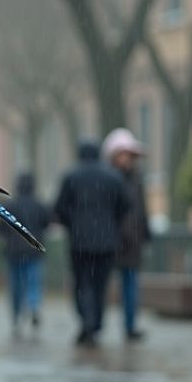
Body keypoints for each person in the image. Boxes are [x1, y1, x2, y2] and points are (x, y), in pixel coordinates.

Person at [55, 141, 130, 346]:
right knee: (100, 284)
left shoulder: (71, 177)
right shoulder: (113, 177)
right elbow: (125, 205)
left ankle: (86, 321)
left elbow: (60, 208)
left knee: (82, 284)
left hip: (80, 242)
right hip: (107, 242)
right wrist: (110, 223)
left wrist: (73, 223)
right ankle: (96, 323)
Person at [102, 128, 151, 341]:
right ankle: (96, 325)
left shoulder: (137, 180)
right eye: (124, 154)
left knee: (131, 286)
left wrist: (145, 233)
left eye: (130, 155)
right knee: (102, 284)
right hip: (111, 240)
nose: (128, 159)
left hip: (132, 242)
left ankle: (130, 326)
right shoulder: (108, 179)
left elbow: (142, 210)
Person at [0, 173, 51, 336]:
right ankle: (33, 307)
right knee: (34, 282)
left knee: (16, 286)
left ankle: (16, 316)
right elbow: (47, 223)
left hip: (14, 253)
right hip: (34, 251)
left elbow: (0, 227)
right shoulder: (40, 205)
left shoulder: (10, 205)